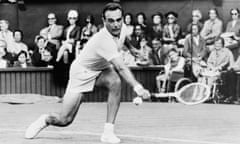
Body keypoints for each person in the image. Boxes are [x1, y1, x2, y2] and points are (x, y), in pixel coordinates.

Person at [25, 3, 150, 144]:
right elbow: (121, 67)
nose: (116, 24)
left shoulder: (122, 27)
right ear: (103, 21)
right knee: (65, 120)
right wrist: (138, 87)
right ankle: (45, 120)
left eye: (118, 20)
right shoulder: (103, 40)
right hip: (81, 73)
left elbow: (123, 37)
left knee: (115, 82)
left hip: (101, 69)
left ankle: (108, 133)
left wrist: (132, 49)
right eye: (111, 21)